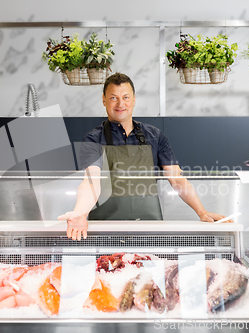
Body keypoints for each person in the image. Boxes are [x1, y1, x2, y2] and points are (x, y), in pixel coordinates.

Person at [58, 73, 231, 240]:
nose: (120, 103)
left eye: (126, 97)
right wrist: (80, 213)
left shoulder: (155, 136)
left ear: (134, 99)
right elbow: (91, 181)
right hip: (106, 230)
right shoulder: (94, 139)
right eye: (113, 98)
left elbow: (177, 180)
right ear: (104, 100)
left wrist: (201, 211)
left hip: (149, 230)